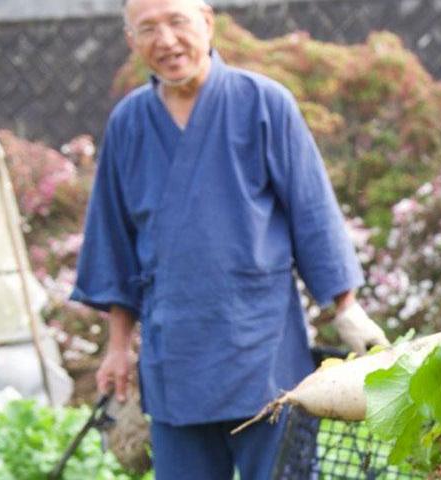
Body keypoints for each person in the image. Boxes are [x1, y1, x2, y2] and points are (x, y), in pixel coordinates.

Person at [70, 0, 390, 478]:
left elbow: (312, 212)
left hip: (264, 348)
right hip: (174, 355)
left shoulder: (265, 103)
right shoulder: (128, 124)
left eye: (178, 22)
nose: (167, 40)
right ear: (131, 41)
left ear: (206, 21)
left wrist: (345, 308)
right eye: (148, 29)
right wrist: (118, 346)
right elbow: (113, 242)